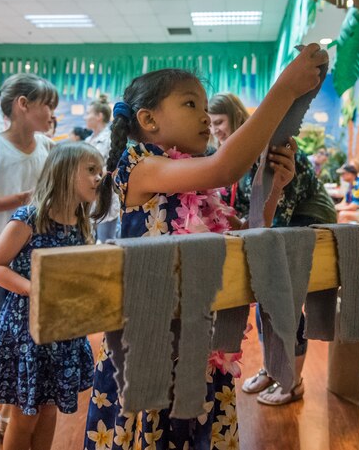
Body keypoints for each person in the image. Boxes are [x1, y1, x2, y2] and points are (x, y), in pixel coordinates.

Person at [84, 43, 327, 449]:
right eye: (190, 104)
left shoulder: (194, 185)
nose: (204, 117)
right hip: (150, 351)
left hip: (201, 345)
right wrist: (284, 89)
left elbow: (248, 234)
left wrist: (274, 190)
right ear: (148, 120)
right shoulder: (139, 167)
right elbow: (224, 166)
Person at [209, 92, 338, 405]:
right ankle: (274, 368)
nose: (215, 130)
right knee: (268, 301)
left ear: (237, 118)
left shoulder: (270, 146)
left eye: (219, 122)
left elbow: (281, 210)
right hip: (274, 225)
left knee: (284, 301)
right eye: (210, 124)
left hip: (307, 221)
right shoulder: (235, 157)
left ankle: (292, 382)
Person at [0, 142, 104, 450]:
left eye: (100, 171)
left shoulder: (85, 223)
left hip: (62, 330)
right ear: (64, 172)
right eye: (91, 170)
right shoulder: (30, 218)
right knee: (25, 417)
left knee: (49, 411)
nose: (99, 178)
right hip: (28, 329)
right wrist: (36, 289)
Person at [0, 73, 57, 446]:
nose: (51, 113)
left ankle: (7, 412)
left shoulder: (48, 146)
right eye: (47, 104)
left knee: (23, 341)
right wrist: (24, 199)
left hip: (30, 261)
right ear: (23, 104)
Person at [84, 95, 119, 241]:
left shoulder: (110, 138)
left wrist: (95, 176)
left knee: (106, 241)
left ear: (99, 116)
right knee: (87, 239)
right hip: (88, 196)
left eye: (89, 113)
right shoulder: (88, 140)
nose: (86, 117)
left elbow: (113, 167)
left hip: (105, 197)